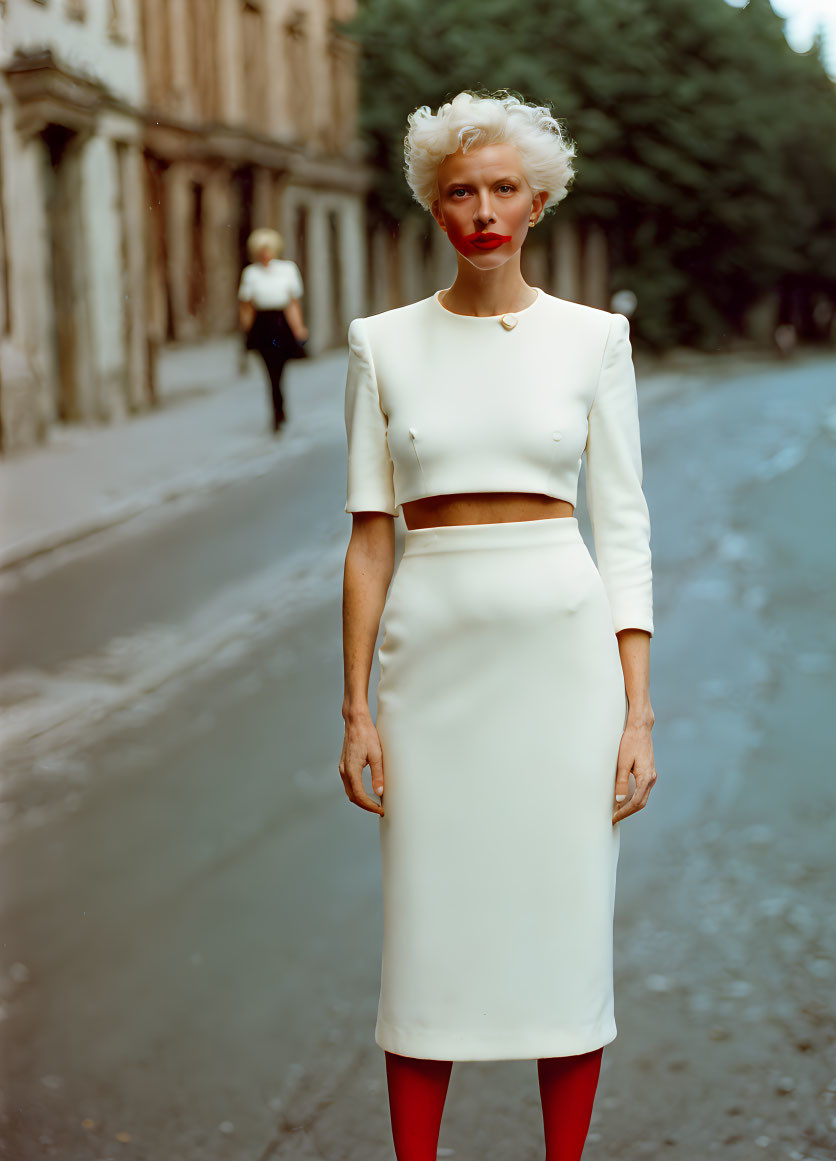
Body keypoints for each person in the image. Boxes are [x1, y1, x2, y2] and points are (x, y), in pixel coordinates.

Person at [338, 90, 658, 1161]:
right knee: (425, 942)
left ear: (538, 205)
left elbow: (623, 530)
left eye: (503, 190)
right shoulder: (382, 344)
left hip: (567, 671)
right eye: (460, 191)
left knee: (565, 935)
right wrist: (355, 711)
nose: (482, 210)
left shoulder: (595, 340)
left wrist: (638, 714)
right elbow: (370, 540)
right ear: (434, 206)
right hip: (429, 670)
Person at [237, 228, 309, 433]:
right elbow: (247, 306)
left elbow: (293, 303)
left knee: (280, 366)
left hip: (281, 322)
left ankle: (280, 405)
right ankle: (277, 411)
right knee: (270, 369)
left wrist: (299, 328)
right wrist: (247, 330)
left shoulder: (287, 269)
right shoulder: (251, 273)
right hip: (263, 324)